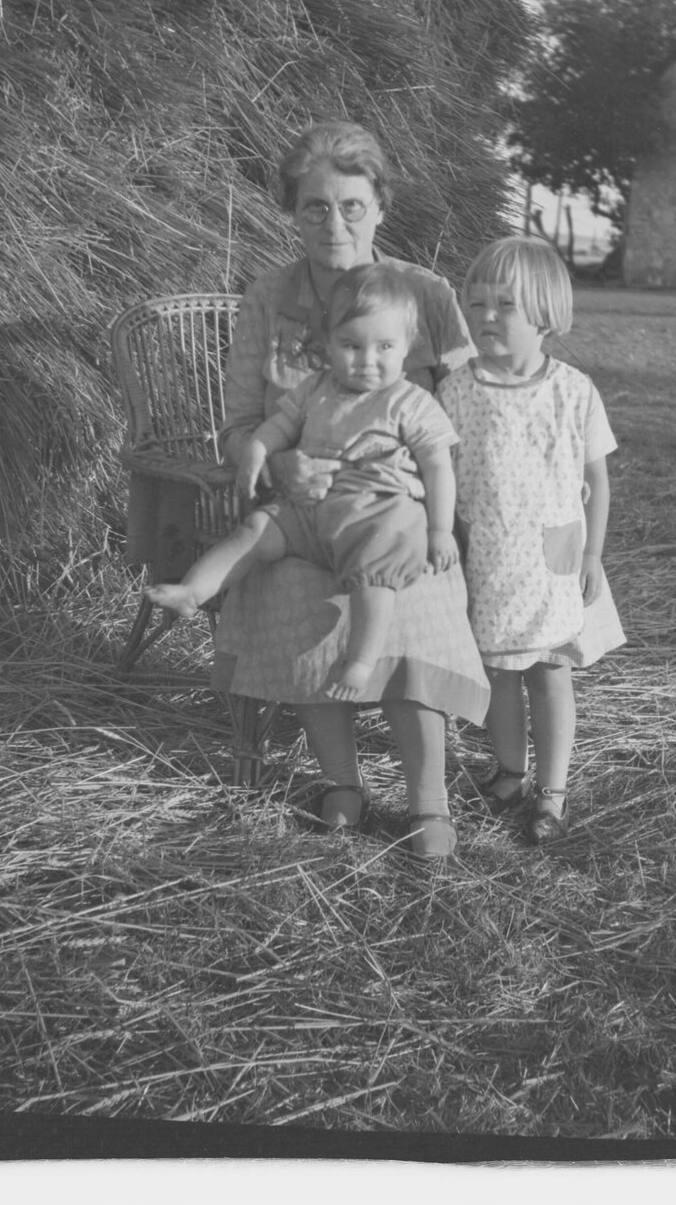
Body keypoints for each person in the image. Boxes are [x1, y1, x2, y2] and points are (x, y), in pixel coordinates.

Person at [207, 121, 489, 859]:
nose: (334, 224)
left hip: (404, 514)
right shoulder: (269, 295)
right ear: (292, 212)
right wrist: (274, 464)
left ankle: (428, 803)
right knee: (298, 592)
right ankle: (343, 783)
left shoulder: (425, 294)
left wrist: (453, 526)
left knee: (415, 603)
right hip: (304, 509)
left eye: (352, 206)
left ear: (381, 207)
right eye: (314, 208)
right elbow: (237, 426)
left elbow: (471, 421)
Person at [145, 264, 459, 702]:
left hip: (378, 513)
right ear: (329, 344)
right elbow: (280, 425)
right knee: (255, 530)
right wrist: (257, 449)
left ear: (408, 346)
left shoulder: (410, 402)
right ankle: (193, 591)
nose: (368, 360)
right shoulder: (317, 389)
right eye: (352, 345)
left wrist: (439, 530)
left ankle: (360, 662)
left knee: (375, 575)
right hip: (311, 513)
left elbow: (438, 466)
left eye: (384, 346)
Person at [438, 236, 625, 844]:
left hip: (552, 562)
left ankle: (553, 788)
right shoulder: (458, 390)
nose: (486, 317)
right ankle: (511, 771)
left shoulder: (573, 390)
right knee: (497, 671)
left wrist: (593, 552)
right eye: (477, 303)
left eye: (505, 306)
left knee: (549, 670)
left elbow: (595, 477)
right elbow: (440, 470)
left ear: (545, 317)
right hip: (488, 557)